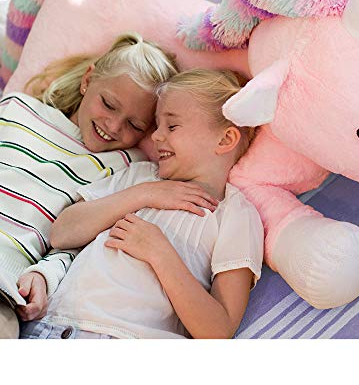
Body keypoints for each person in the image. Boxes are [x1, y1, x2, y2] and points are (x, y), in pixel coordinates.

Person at [20, 69, 264, 339]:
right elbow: (62, 233)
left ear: (225, 139)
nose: (156, 136)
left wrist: (160, 253)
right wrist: (144, 194)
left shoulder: (234, 214)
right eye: (156, 125)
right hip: (47, 324)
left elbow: (217, 332)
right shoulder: (139, 175)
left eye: (172, 126)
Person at [0, 33, 214, 339]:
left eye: (135, 125)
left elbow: (79, 247)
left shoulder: (125, 166)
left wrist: (44, 275)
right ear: (88, 80)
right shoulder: (18, 109)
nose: (113, 126)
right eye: (109, 104)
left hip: (7, 280)